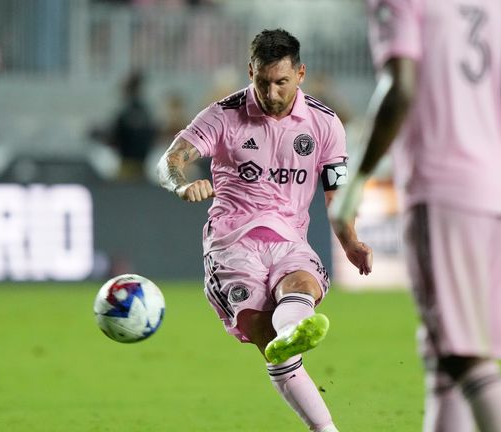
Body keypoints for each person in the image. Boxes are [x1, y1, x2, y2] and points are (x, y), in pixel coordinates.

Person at [329, 1, 501, 432]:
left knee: (466, 359)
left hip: (443, 188)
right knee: (444, 353)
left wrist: (356, 183)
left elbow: (400, 88)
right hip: (498, 192)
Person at [157, 29, 372, 432]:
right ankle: (322, 421)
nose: (272, 93)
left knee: (303, 286)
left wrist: (350, 242)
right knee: (263, 334)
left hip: (289, 238)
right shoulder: (223, 114)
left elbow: (335, 195)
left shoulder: (325, 124)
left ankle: (291, 332)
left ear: (301, 74)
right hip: (231, 244)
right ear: (250, 71)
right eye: (262, 82)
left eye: (281, 82)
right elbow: (168, 161)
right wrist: (183, 183)